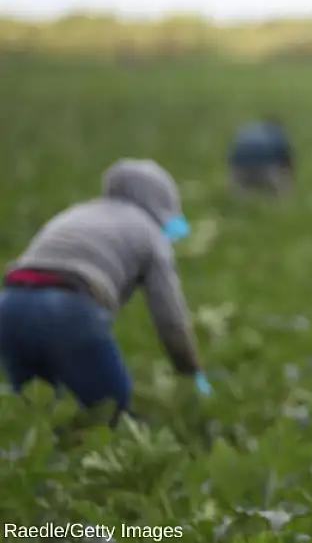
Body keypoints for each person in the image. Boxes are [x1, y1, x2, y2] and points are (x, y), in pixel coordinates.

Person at [0, 158, 211, 425]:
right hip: (67, 308)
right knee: (112, 413)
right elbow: (171, 319)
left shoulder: (78, 212)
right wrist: (191, 370)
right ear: (162, 202)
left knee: (33, 420)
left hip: (9, 305)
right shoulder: (149, 232)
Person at [228, 118, 295, 196]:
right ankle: (282, 204)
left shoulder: (247, 130)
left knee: (241, 193)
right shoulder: (277, 133)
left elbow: (231, 155)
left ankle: (240, 202)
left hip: (240, 169)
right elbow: (286, 160)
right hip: (264, 169)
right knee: (282, 184)